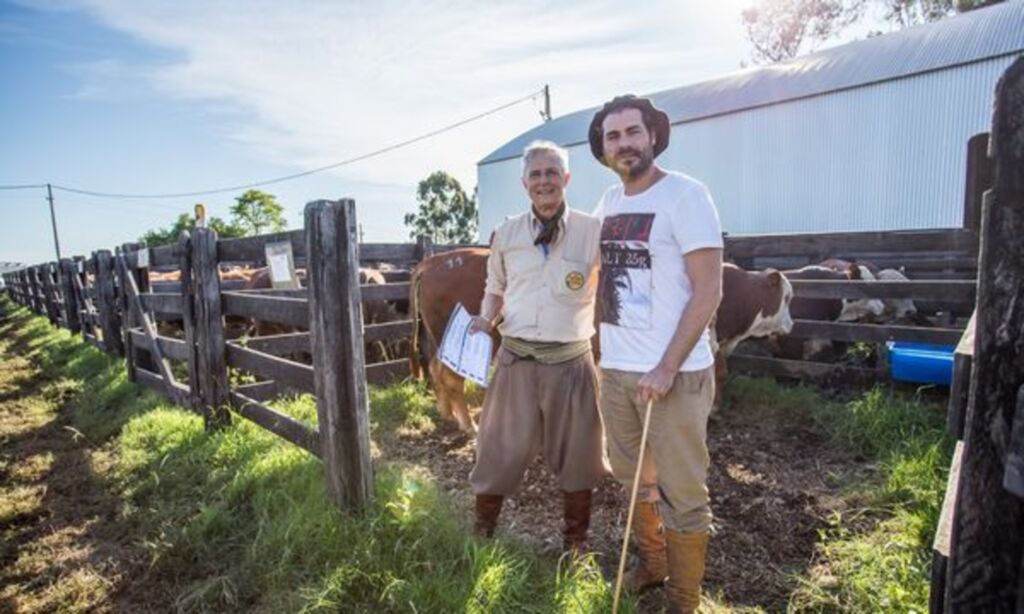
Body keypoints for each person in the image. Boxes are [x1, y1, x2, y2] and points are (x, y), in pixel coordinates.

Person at [589, 95, 723, 613]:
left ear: (652, 136)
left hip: (675, 375)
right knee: (634, 477)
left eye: (632, 132)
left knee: (684, 490)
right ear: (603, 149)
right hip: (618, 372)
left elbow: (708, 289)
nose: (624, 143)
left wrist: (667, 365)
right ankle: (653, 562)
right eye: (612, 136)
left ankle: (683, 599)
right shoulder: (608, 204)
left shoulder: (686, 196)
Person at [467, 140, 606, 553]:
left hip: (572, 363)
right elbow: (495, 288)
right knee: (496, 451)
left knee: (580, 457)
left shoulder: (592, 232)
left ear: (565, 179)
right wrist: (485, 318)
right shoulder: (506, 234)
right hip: (516, 361)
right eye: (536, 174)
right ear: (524, 182)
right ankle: (481, 534)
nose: (544, 181)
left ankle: (575, 545)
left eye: (551, 173)